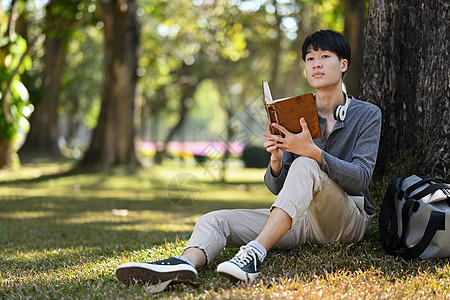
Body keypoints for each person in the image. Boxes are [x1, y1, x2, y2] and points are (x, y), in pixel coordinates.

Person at [115, 29, 382, 285]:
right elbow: (279, 188)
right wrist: (276, 160)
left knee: (306, 162)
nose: (316, 64)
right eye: (310, 58)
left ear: (343, 64)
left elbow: (360, 179)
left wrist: (313, 152)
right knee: (214, 220)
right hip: (302, 220)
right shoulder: (295, 111)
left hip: (347, 219)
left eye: (325, 57)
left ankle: (253, 254)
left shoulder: (367, 114)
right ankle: (185, 263)